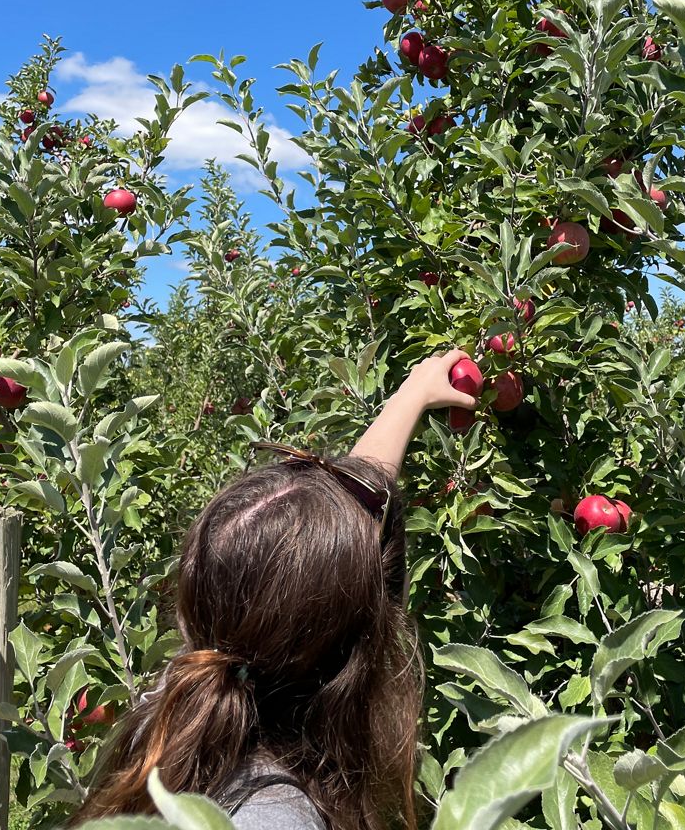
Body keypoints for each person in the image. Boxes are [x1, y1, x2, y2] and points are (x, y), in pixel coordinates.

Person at [71, 350, 481, 830]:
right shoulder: (276, 819)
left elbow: (314, 547)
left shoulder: (181, 706)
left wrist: (411, 395)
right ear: (361, 639)